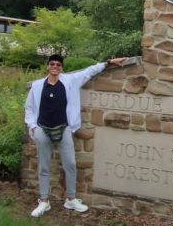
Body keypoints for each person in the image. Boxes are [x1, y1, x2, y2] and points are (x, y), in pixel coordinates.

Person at [25, 54, 126, 217]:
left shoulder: (70, 80)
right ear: (47, 66)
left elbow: (89, 71)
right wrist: (33, 127)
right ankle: (44, 201)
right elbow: (29, 108)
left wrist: (108, 63)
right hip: (43, 129)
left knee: (70, 164)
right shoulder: (37, 86)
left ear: (61, 68)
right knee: (44, 167)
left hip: (63, 128)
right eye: (52, 64)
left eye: (58, 64)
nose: (55, 67)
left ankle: (70, 199)